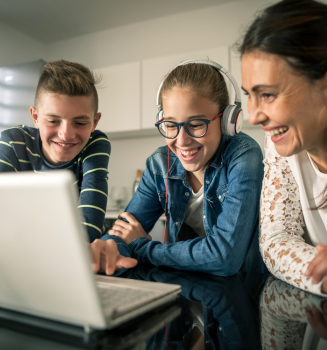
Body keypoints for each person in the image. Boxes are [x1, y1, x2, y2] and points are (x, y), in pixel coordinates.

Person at [93, 59, 265, 276]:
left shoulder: (244, 156)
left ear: (227, 121)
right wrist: (108, 248)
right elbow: (122, 232)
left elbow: (225, 257)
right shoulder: (159, 164)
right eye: (171, 125)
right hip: (186, 287)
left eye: (195, 125)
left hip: (241, 292)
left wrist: (141, 247)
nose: (181, 141)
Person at [239, 0, 327, 300]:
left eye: (268, 94)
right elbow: (276, 241)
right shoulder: (281, 145)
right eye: (249, 95)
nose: (254, 116)